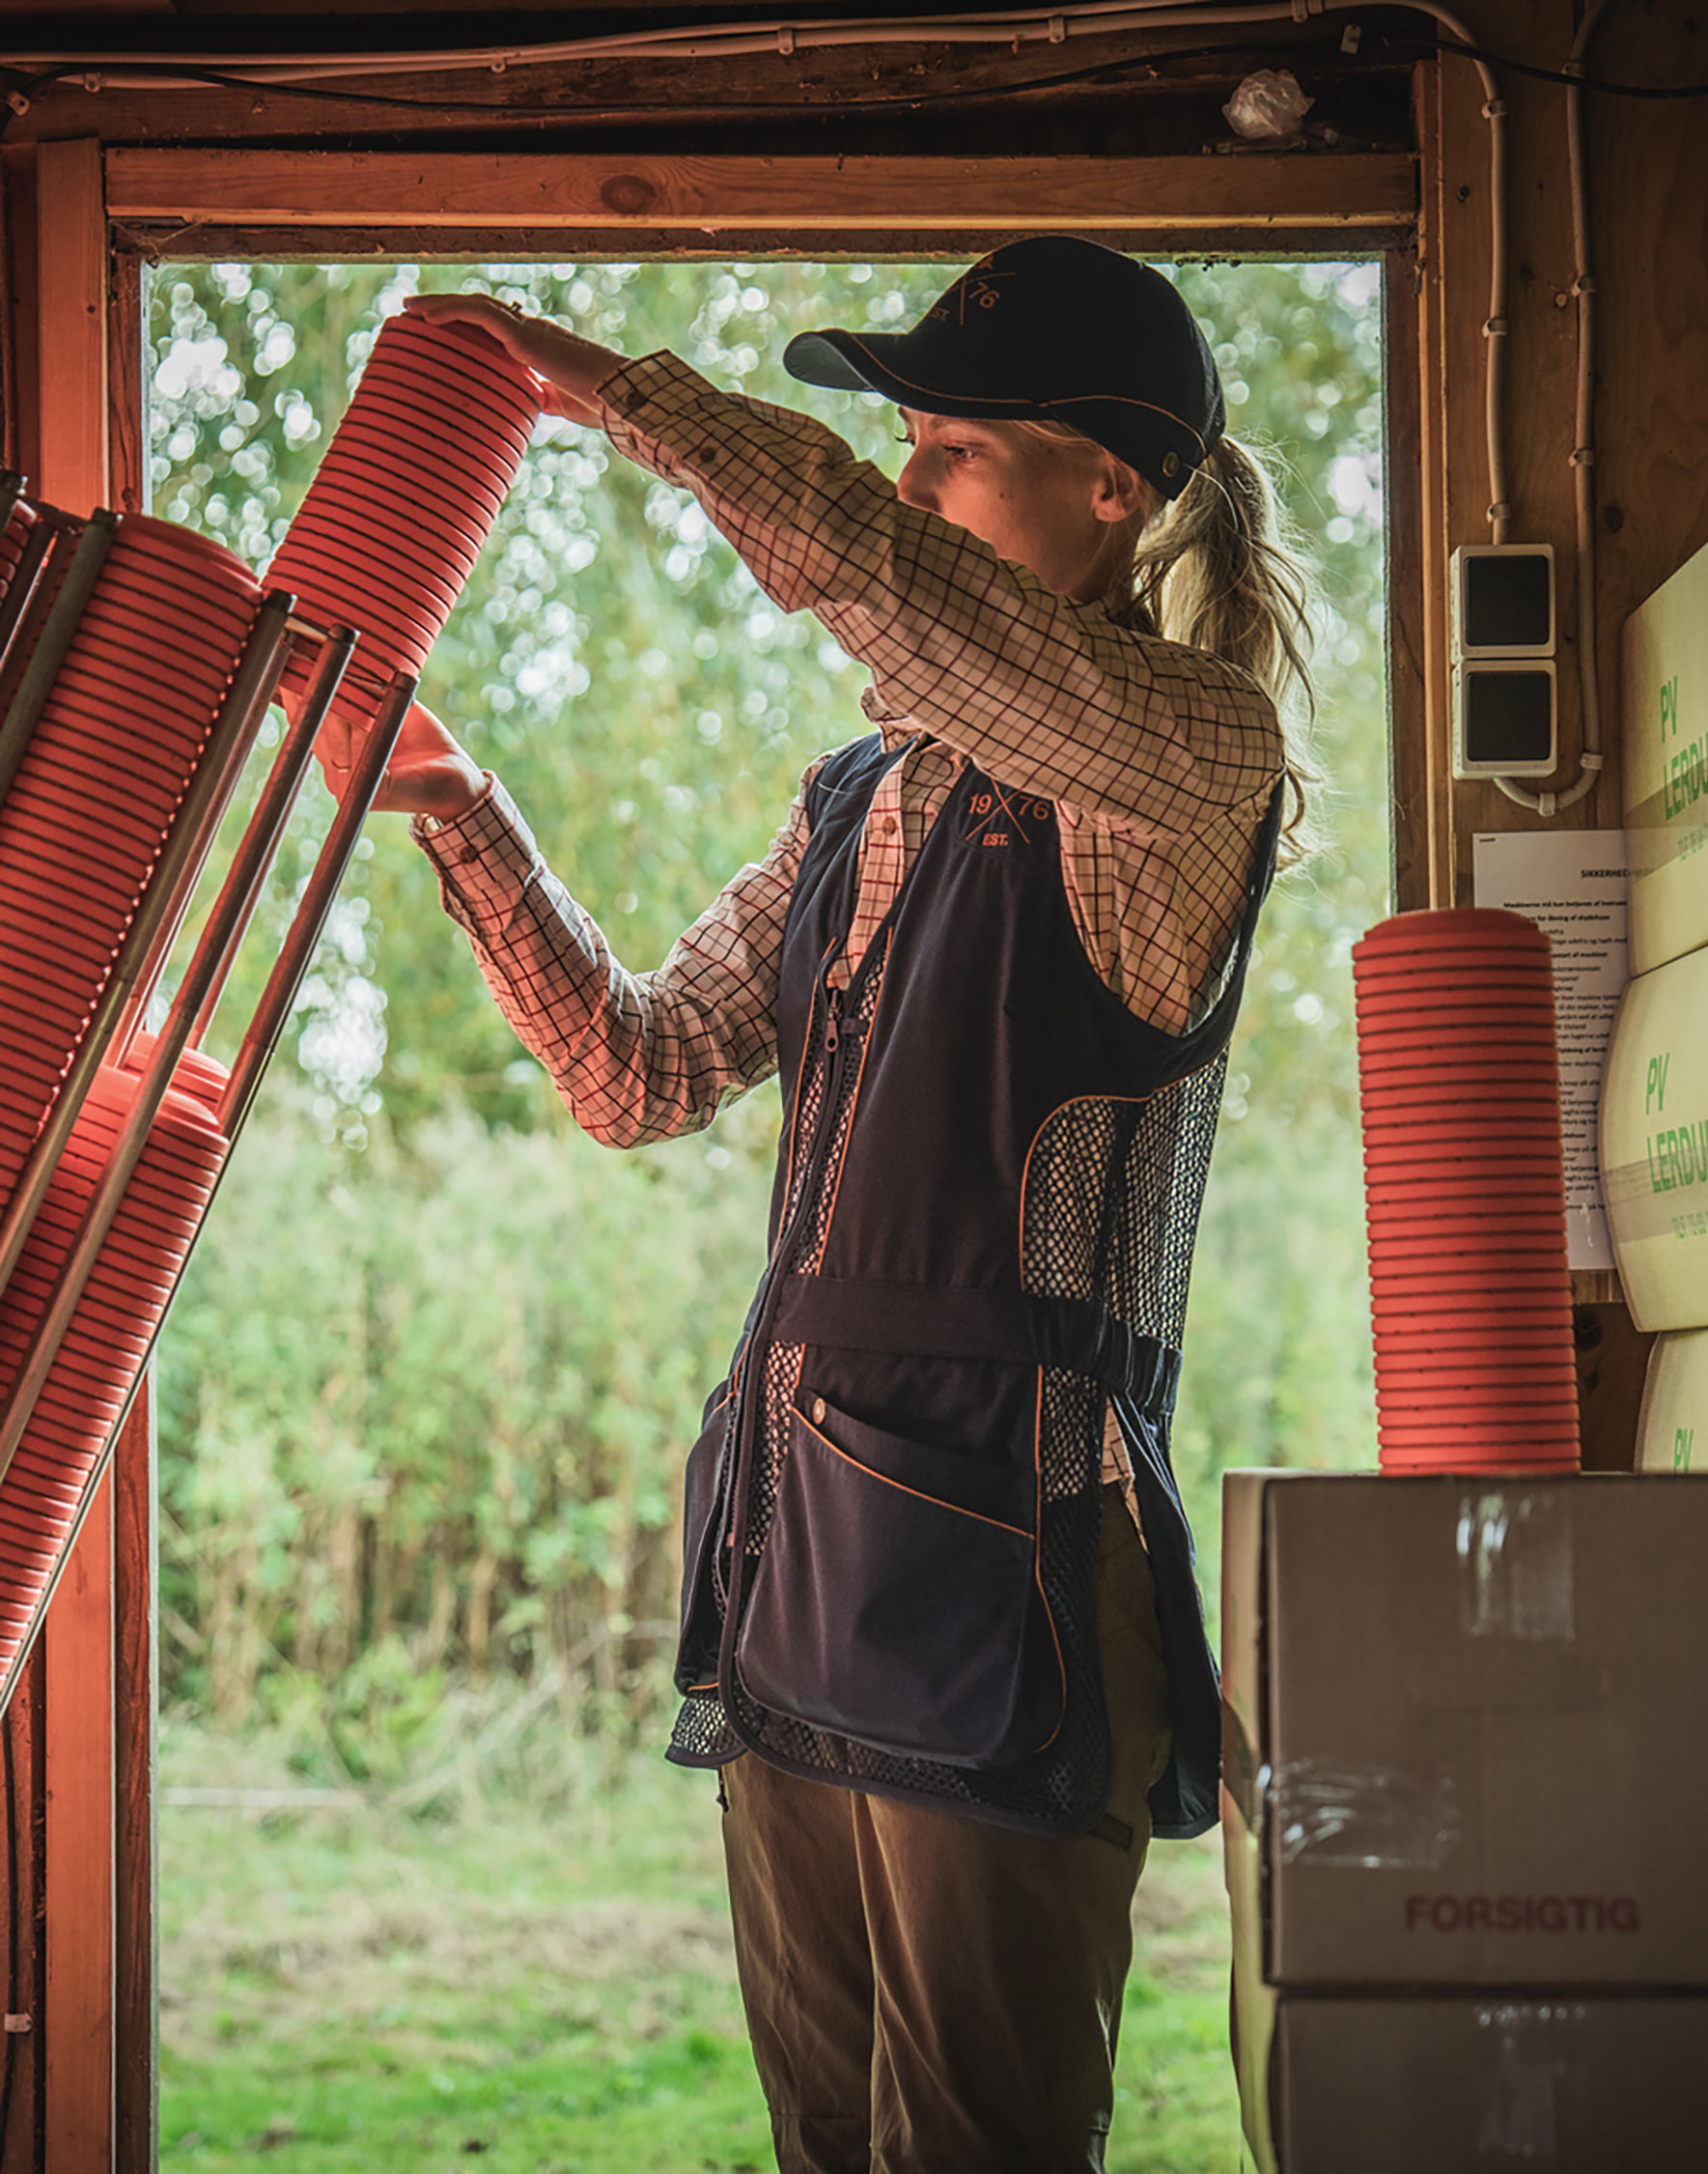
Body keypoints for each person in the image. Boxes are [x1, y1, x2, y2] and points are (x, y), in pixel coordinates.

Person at [315, 237, 1315, 2174]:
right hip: (799, 1552)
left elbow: (901, 589)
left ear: (1113, 487)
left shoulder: (1192, 758)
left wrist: (608, 386)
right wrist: (460, 812)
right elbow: (637, 1069)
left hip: (1019, 1576)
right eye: (907, 443)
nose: (915, 477)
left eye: (955, 443)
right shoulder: (853, 802)